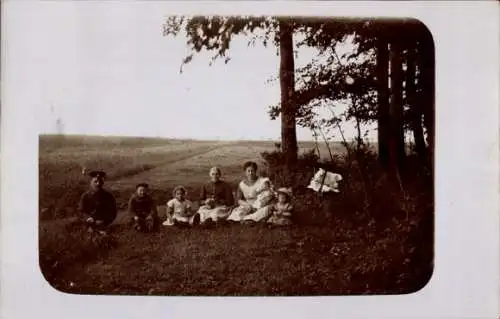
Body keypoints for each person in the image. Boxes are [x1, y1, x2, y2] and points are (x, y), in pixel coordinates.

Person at [78, 170, 117, 234]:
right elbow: (81, 211)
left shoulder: (108, 196)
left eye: (100, 181)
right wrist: (87, 218)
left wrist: (104, 221)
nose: (98, 184)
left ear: (103, 183)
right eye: (95, 181)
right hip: (88, 225)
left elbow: (113, 212)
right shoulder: (85, 196)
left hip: (103, 225)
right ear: (91, 182)